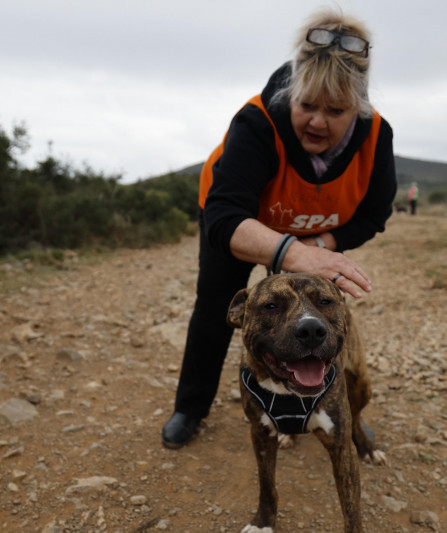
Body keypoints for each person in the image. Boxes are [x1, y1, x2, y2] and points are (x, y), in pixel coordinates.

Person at [162, 8, 397, 449]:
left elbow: (373, 215)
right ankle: (190, 408)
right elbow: (224, 218)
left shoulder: (376, 136)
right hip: (241, 226)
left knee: (314, 322)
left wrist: (321, 243)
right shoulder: (257, 121)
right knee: (215, 309)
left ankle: (330, 409)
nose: (317, 121)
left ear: (359, 109)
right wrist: (295, 253)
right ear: (292, 93)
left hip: (311, 232)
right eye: (306, 105)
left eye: (336, 110)